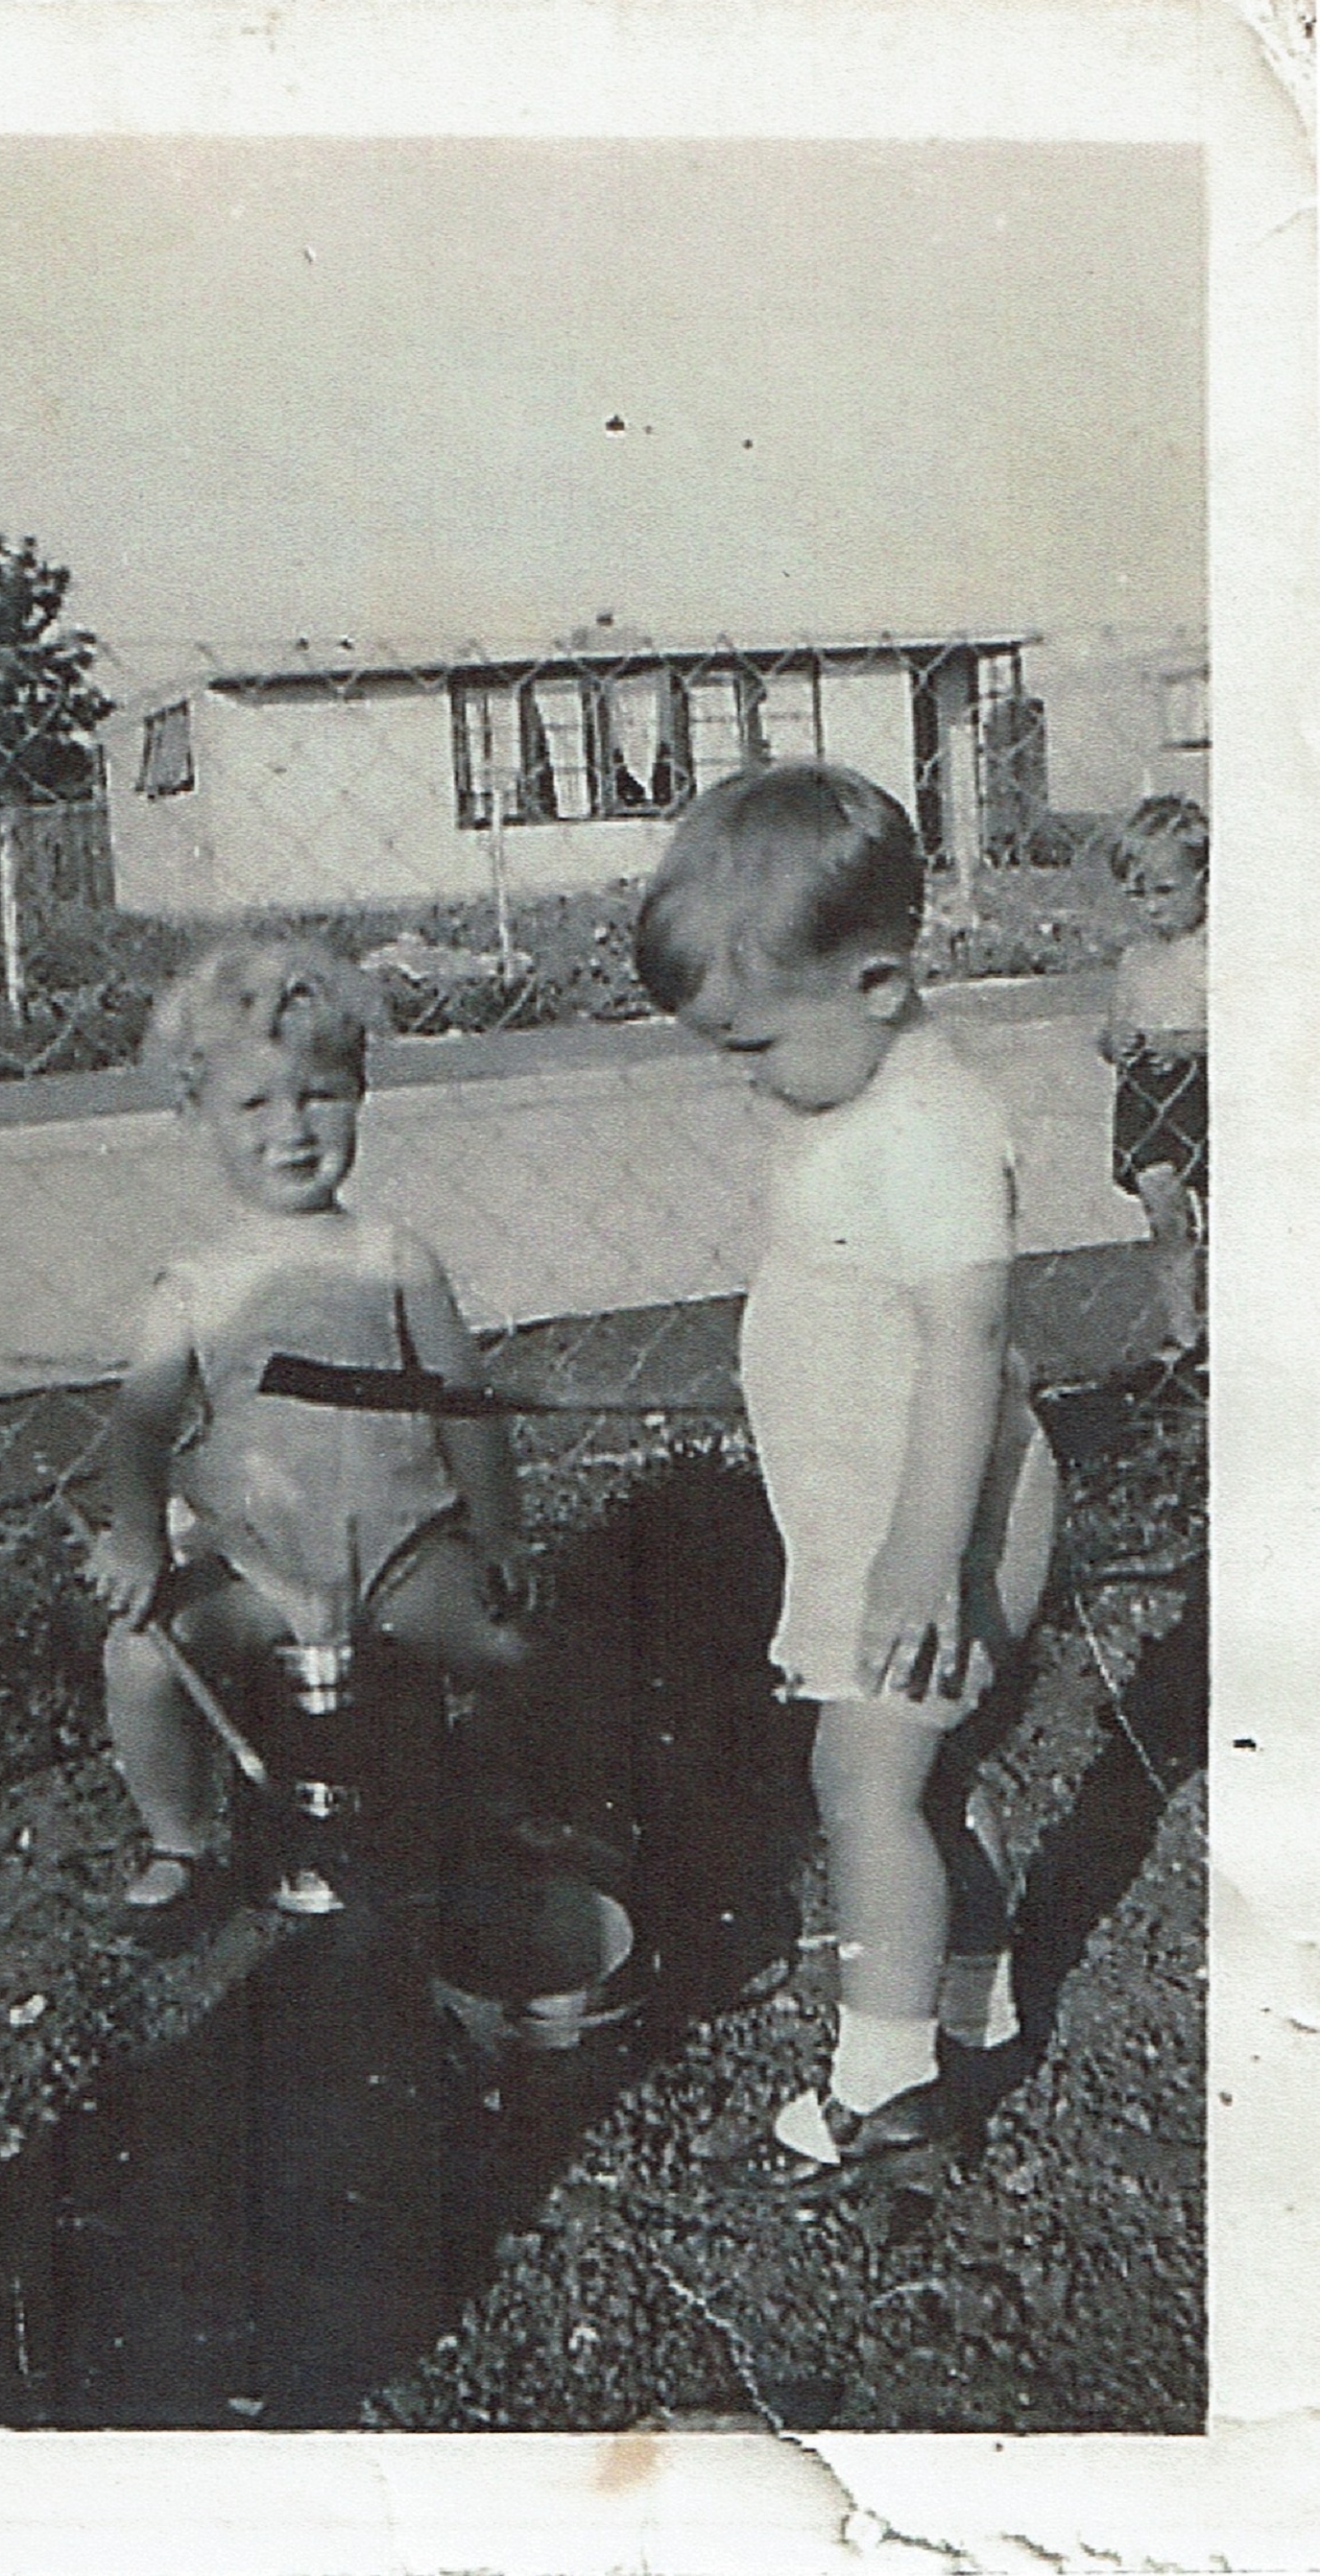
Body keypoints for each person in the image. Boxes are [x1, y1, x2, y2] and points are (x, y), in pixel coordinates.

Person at [634, 760, 1058, 2186]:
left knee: (861, 1780)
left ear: (877, 982)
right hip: (873, 1516)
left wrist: (919, 1558)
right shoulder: (852, 1100)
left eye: (752, 1047)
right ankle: (965, 2000)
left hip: (927, 1522)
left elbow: (962, 1350)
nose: (743, 1083)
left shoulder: (932, 1129)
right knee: (922, 1781)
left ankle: (883, 2091)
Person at [80, 936, 532, 1922]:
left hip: (403, 1551)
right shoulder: (195, 1283)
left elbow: (464, 1401)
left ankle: (511, 1809)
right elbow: (141, 1424)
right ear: (196, 1114)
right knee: (142, 1658)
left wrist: (496, 1528)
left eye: (318, 1095)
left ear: (358, 1090)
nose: (291, 1129)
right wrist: (137, 1535)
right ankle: (180, 1837)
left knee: (513, 1650)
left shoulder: (393, 1257)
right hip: (258, 1566)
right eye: (253, 1104)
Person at [1099, 796, 1208, 1360]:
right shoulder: (1136, 959)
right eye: (1137, 893)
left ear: (1203, 880)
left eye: (1166, 891)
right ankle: (1182, 1331)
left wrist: (1186, 1044)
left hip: (1204, 1090)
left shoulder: (1213, 951)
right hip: (1148, 1093)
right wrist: (1116, 1042)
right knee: (1165, 1216)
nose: (1151, 908)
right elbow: (1111, 1032)